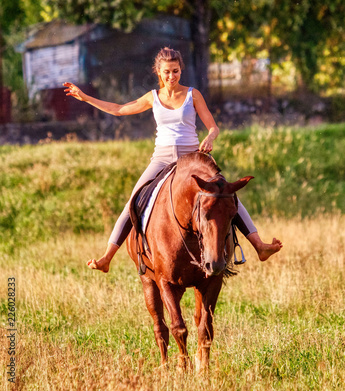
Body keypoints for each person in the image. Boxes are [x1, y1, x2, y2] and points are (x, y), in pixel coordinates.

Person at [63, 47, 282, 273]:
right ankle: (108, 257)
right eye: (166, 72)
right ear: (159, 72)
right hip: (161, 158)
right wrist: (84, 97)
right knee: (133, 201)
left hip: (192, 158)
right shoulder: (152, 97)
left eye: (175, 71)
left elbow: (213, 127)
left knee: (226, 194)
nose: (171, 76)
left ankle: (259, 246)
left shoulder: (192, 95)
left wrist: (210, 137)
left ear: (181, 70)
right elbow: (119, 109)